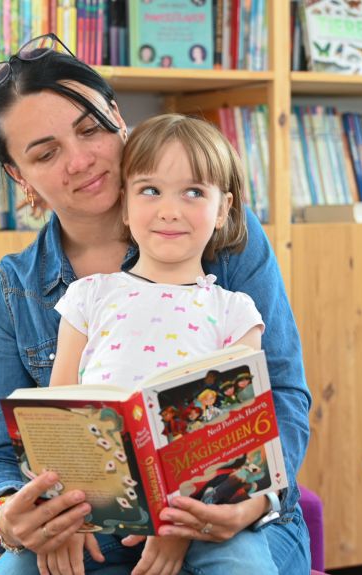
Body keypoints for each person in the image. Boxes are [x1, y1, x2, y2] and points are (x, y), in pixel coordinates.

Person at [0, 32, 311, 575]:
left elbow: (282, 393)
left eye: (90, 129)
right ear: (18, 177)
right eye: (46, 152)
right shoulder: (9, 293)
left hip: (224, 513)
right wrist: (12, 517)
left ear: (118, 120)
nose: (80, 160)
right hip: (87, 529)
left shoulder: (223, 238)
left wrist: (253, 503)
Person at [47, 113, 269, 572]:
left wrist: (179, 527)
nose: (170, 209)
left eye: (194, 192)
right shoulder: (88, 296)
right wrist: (61, 516)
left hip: (201, 515)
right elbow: (55, 419)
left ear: (223, 207)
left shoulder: (236, 311)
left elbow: (243, 439)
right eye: (150, 190)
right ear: (124, 205)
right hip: (95, 513)